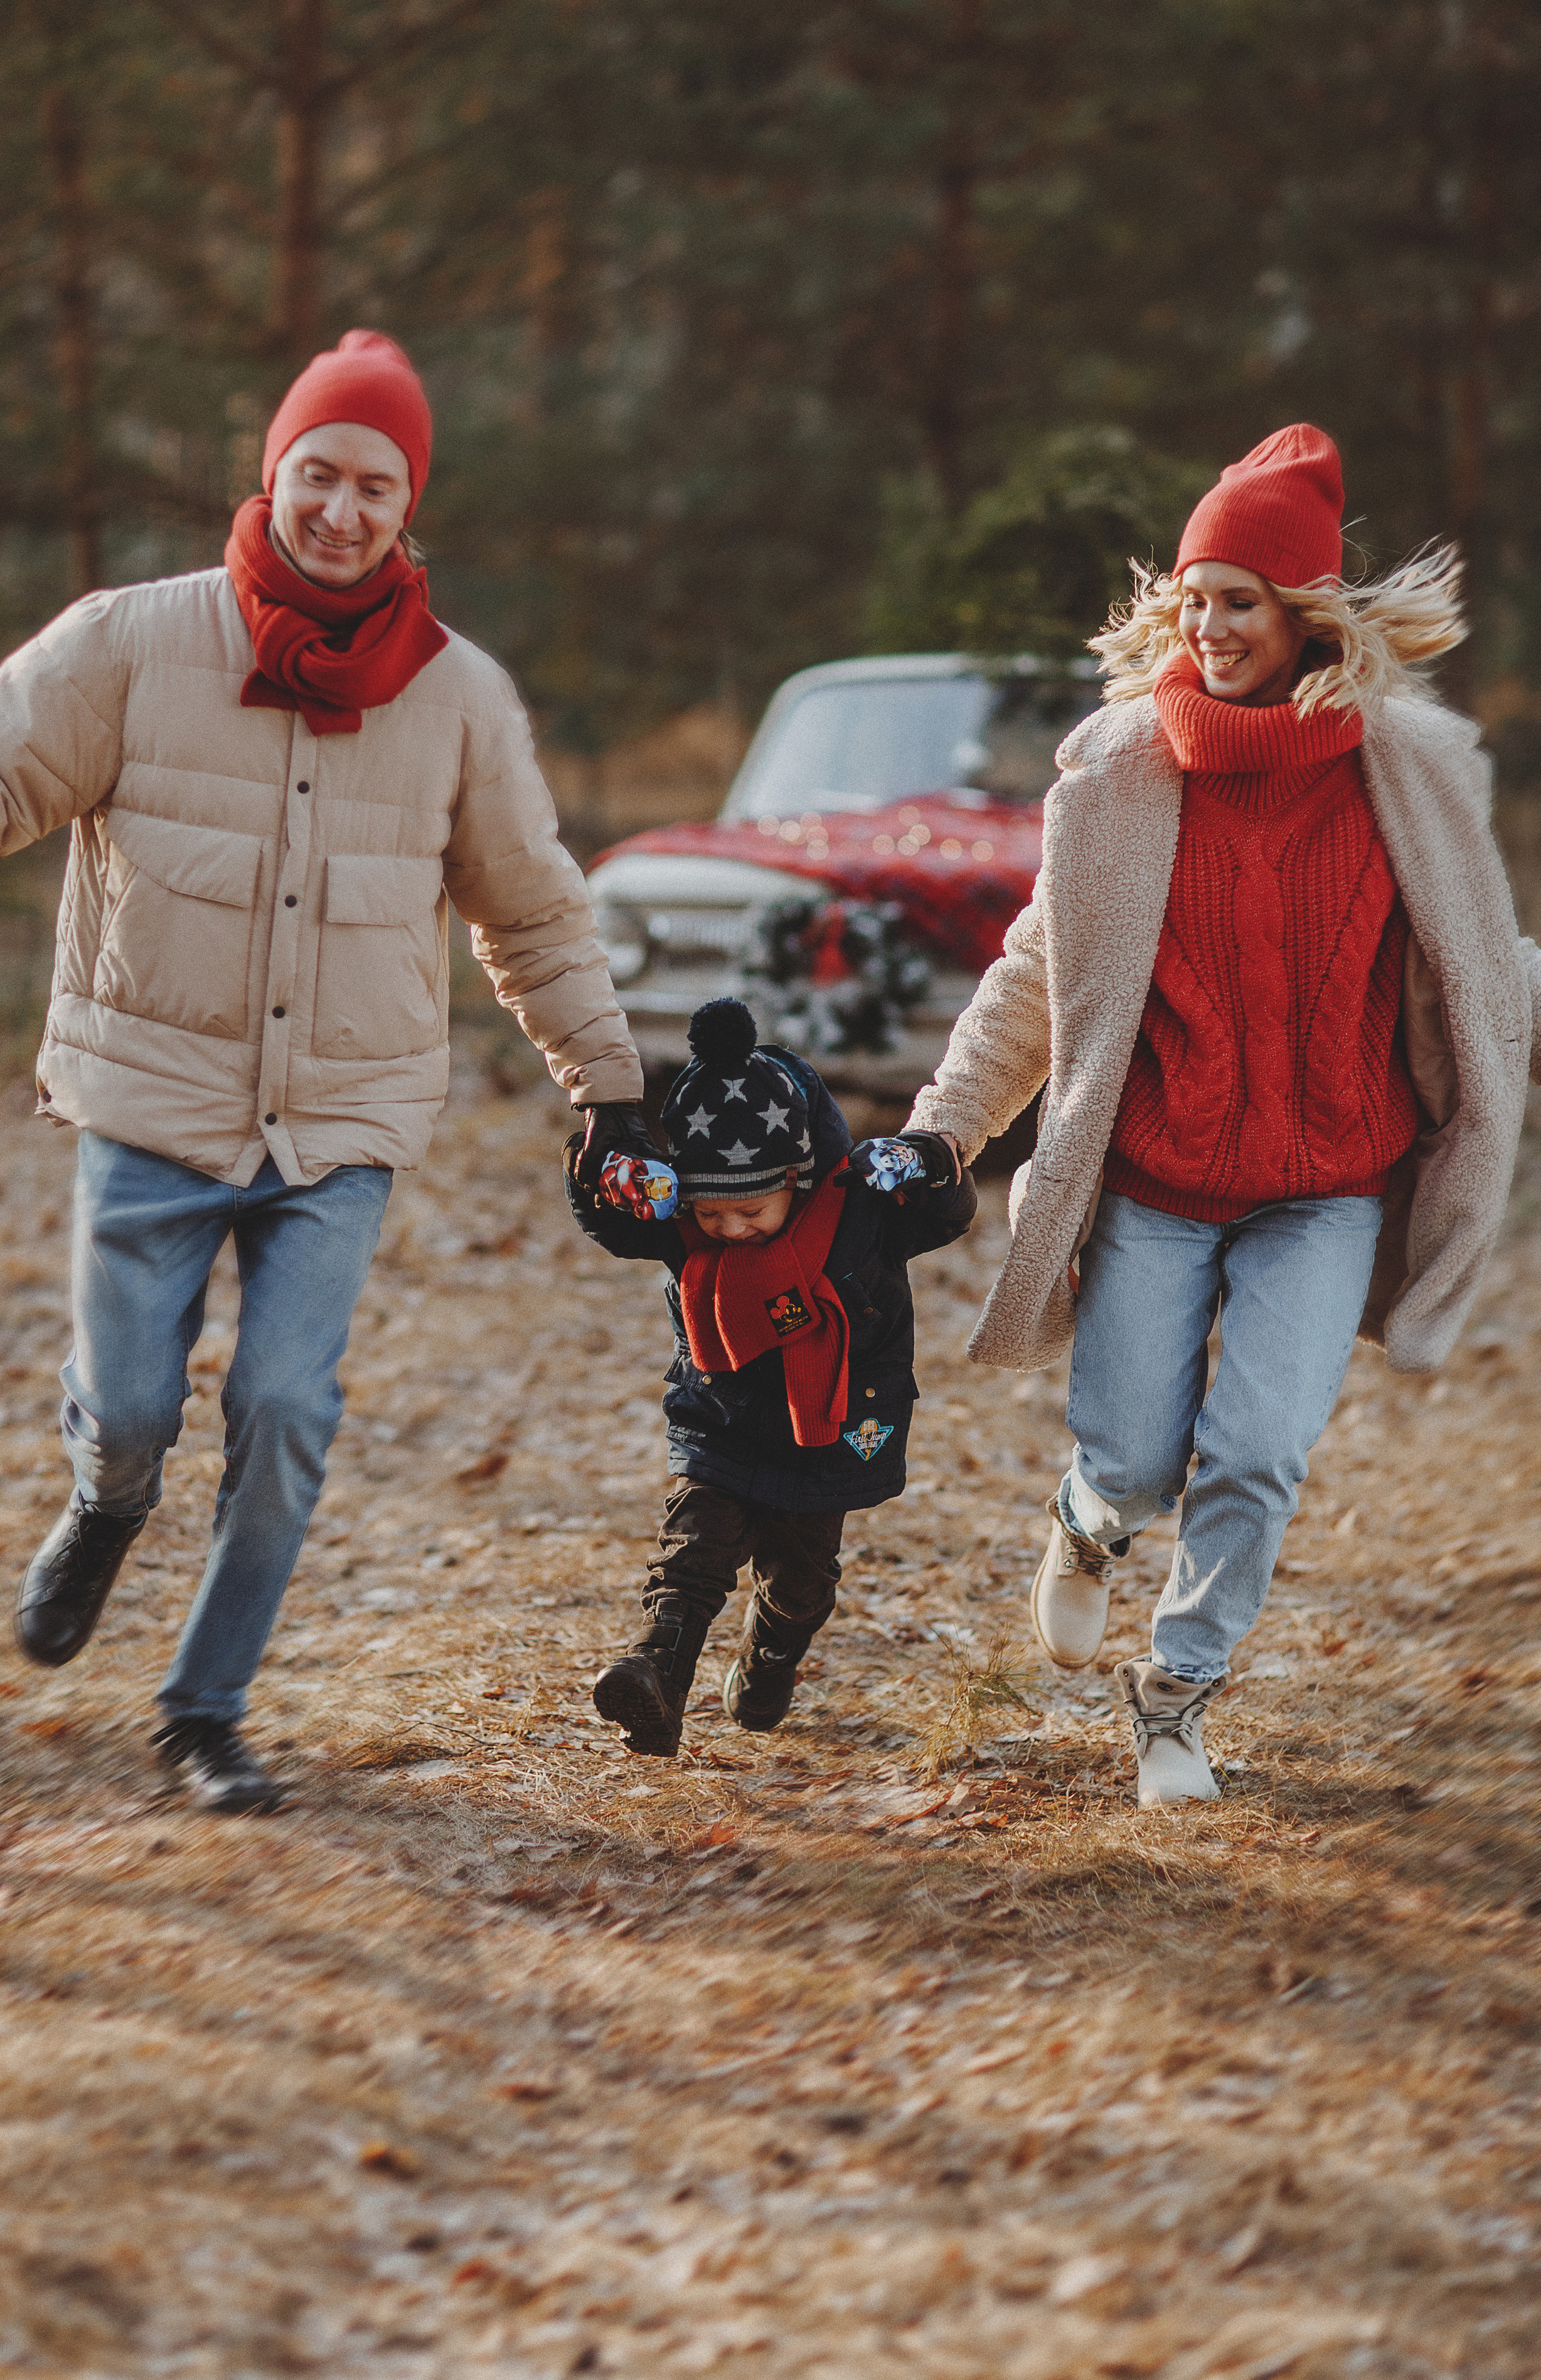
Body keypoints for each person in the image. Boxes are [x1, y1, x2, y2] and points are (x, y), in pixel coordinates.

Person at [0, 329, 648, 1813]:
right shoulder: (131, 642)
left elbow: (528, 905)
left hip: (339, 1120)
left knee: (285, 1409)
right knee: (133, 1408)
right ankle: (102, 1498)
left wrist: (610, 1085)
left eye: (372, 483)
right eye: (316, 471)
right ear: (275, 472)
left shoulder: (456, 698)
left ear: (407, 506)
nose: (340, 507)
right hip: (151, 1102)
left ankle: (206, 1707)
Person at [906, 423, 1541, 1806]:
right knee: (1134, 1455)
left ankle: (1174, 1698)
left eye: (1237, 601)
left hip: (1324, 1188)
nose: (1206, 626)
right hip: (1160, 1179)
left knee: (1255, 1452)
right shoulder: (1122, 774)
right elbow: (1038, 970)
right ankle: (1089, 1521)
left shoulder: (1403, 772)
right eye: (1191, 600)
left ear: (1305, 614)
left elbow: (1480, 958)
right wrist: (944, 1127)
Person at [567, 998, 976, 1756]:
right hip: (721, 1423)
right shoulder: (684, 1223)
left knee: (801, 1587)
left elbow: (946, 1215)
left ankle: (772, 1658)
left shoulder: (859, 1211)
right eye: (710, 1213)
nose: (726, 1229)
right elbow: (612, 1219)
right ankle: (655, 1678)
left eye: (749, 1210)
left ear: (797, 1176)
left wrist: (928, 1160)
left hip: (830, 1431)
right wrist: (601, 1164)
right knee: (691, 1556)